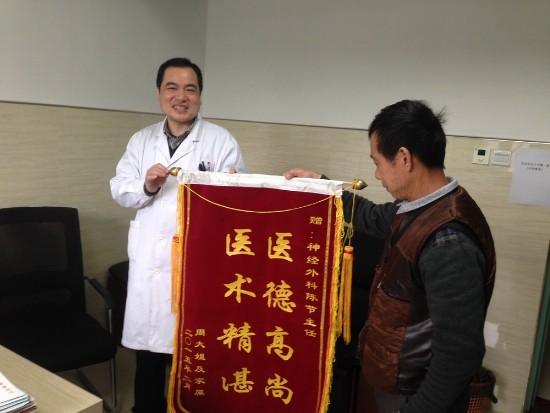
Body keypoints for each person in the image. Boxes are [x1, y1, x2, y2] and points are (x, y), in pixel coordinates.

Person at [284, 100, 496, 413]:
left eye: (378, 162)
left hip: (417, 396)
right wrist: (324, 186)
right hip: (399, 380)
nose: (377, 174)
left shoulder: (448, 242)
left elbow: (458, 354)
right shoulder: (418, 206)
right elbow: (370, 215)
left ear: (404, 158)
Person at [110, 57, 246, 413]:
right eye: (172, 88)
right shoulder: (141, 141)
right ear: (160, 94)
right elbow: (120, 190)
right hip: (151, 264)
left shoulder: (221, 141)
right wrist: (147, 185)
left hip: (197, 264)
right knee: (149, 357)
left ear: (200, 95)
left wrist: (230, 192)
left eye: (190, 89)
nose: (181, 97)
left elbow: (237, 207)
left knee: (194, 355)